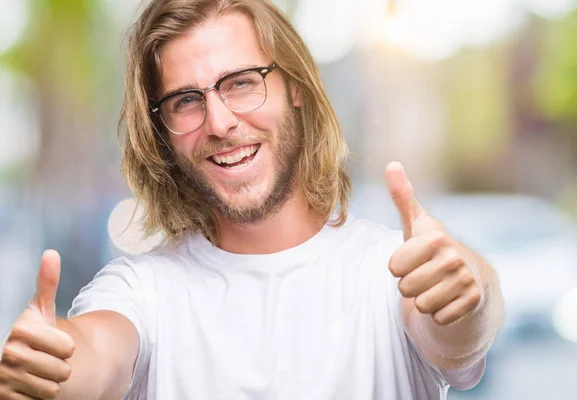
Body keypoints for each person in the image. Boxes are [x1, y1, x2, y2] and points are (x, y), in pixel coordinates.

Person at [0, 0, 504, 399]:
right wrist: (51, 371)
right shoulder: (142, 291)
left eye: (241, 83)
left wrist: (469, 291)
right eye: (186, 101)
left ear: (296, 88)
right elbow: (95, 357)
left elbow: (461, 336)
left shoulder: (393, 272)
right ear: (162, 133)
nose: (219, 123)